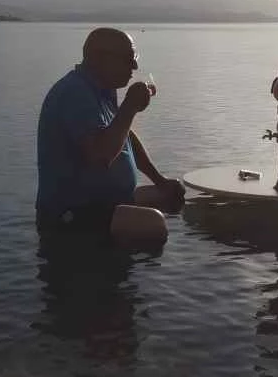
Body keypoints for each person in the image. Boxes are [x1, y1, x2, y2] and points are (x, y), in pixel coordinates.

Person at [35, 27, 185, 246]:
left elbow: (125, 137)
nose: (135, 66)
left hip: (106, 202)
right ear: (98, 58)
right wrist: (130, 106)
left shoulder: (103, 89)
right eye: (128, 59)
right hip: (73, 214)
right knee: (155, 225)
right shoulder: (74, 93)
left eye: (135, 58)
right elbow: (100, 155)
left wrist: (159, 180)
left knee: (173, 194)